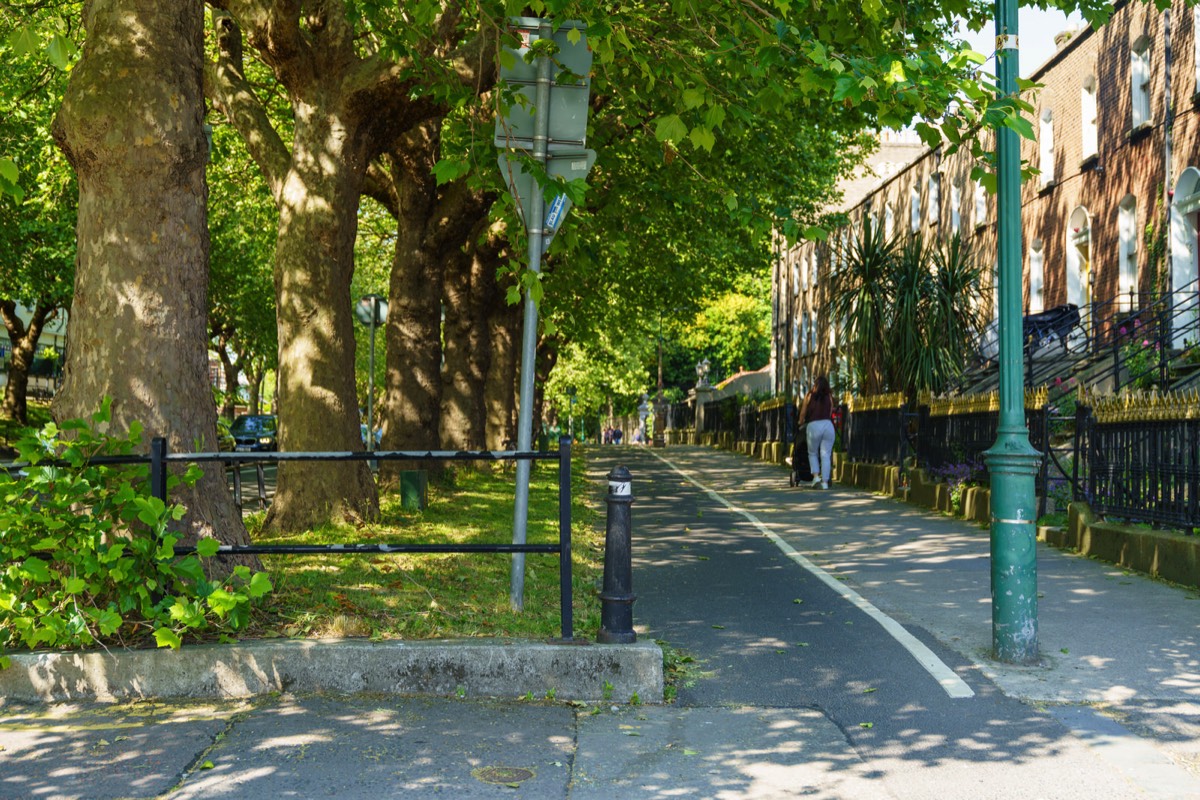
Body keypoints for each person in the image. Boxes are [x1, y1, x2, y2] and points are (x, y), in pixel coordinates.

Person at [800, 375, 835, 489]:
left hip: (814, 425)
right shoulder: (829, 396)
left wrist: (800, 422)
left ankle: (816, 477)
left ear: (815, 386)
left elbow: (803, 413)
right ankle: (825, 482)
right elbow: (830, 412)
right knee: (826, 455)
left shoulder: (809, 395)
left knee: (813, 452)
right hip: (827, 425)